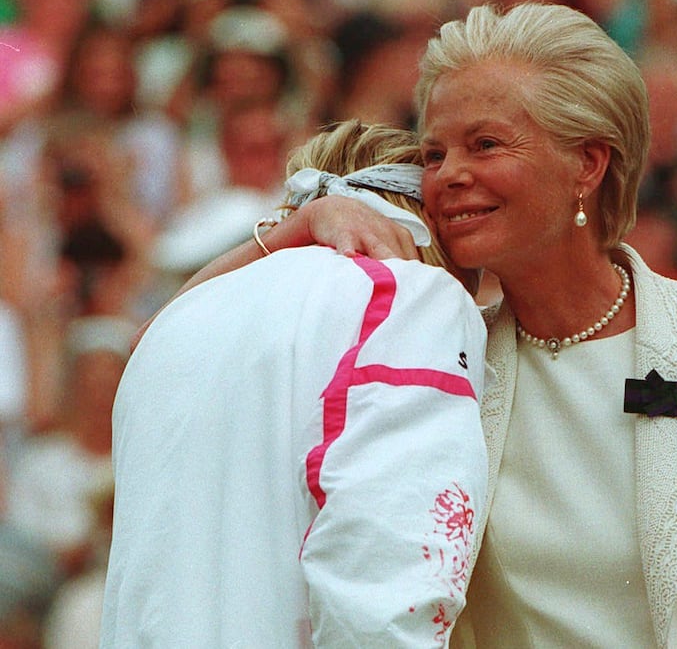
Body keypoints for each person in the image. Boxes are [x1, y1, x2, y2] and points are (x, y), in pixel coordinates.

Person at [175, 2, 677, 647]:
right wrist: (299, 225)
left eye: (486, 144)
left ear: (588, 164)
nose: (447, 175)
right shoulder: (434, 358)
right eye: (434, 153)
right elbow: (174, 345)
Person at [101, 119, 488, 648]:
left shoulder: (179, 322)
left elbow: (141, 338)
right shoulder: (411, 295)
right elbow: (388, 581)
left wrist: (289, 230)